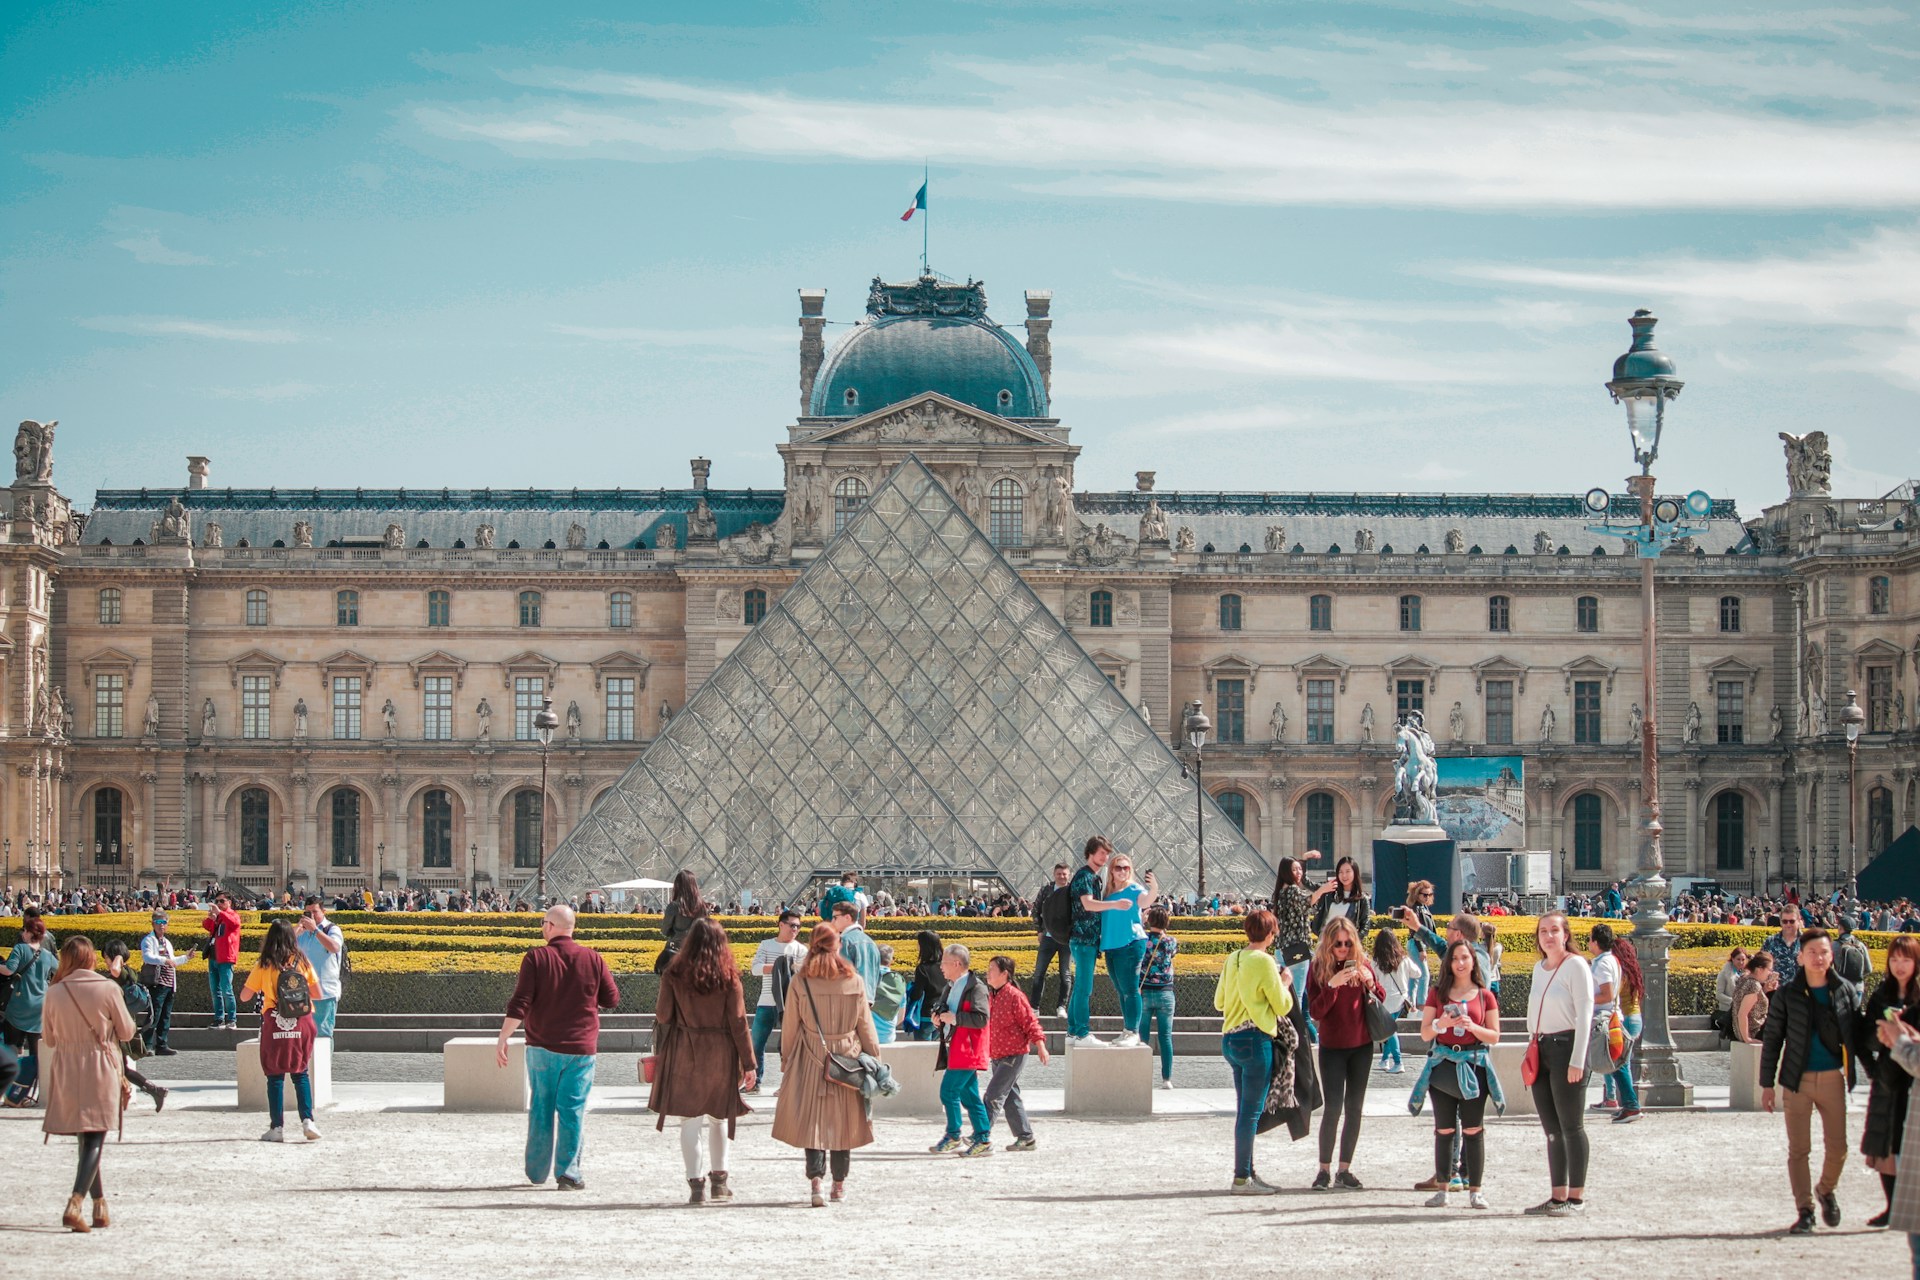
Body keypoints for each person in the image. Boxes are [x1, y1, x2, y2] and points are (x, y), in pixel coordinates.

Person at [497, 905, 621, 1190]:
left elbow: (520, 1002)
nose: (542, 928)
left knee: (541, 1107)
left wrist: (504, 1037)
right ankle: (568, 1173)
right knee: (572, 1110)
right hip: (581, 1048)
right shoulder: (593, 958)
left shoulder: (536, 958)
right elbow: (612, 999)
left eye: (543, 923)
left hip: (542, 1047)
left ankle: (537, 1172)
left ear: (550, 927)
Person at [1762, 926, 1862, 1234]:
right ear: (1801, 957)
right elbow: (1773, 1038)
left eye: (1823, 952)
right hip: (1797, 1079)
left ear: (1832, 956)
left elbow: (1858, 1034)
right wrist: (1767, 1083)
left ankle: (1825, 1188)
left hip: (1833, 1076)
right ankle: (1804, 1210)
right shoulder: (1788, 994)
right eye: (1812, 953)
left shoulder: (1844, 990)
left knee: (1839, 1147)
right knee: (1799, 1149)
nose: (1818, 958)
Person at [771, 923, 880, 1207]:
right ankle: (839, 1184)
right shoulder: (854, 981)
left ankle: (816, 1182)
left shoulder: (801, 980)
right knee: (843, 1122)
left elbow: (791, 1026)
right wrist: (874, 1059)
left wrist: (786, 1060)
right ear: (837, 946)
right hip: (847, 1057)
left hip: (810, 1055)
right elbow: (865, 1026)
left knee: (813, 1121)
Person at [650, 917, 755, 1205]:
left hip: (685, 1049)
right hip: (721, 1052)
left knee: (690, 1121)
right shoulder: (729, 976)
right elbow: (739, 1022)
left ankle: (696, 1185)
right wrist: (749, 1063)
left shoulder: (673, 974)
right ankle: (720, 1182)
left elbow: (663, 1016)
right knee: (719, 1118)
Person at [40, 937, 136, 1233]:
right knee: (95, 1137)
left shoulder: (54, 992)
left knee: (86, 1137)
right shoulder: (107, 988)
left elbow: (50, 1038)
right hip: (100, 1065)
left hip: (66, 1067)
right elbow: (127, 1031)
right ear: (91, 959)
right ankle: (76, 1201)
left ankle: (100, 1206)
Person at [1415, 939, 1502, 1209]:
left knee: (1474, 1130)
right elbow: (1425, 1032)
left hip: (1474, 1064)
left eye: (1465, 958)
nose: (1460, 963)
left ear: (1473, 961)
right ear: (1449, 963)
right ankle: (1443, 1187)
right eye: (1455, 959)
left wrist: (1473, 1027)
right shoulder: (1438, 993)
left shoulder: (1485, 995)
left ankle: (1475, 1189)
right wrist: (1441, 1024)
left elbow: (1495, 1036)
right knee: (1444, 1130)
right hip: (1443, 1064)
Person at [1213, 907, 1292, 1195]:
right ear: (1270, 934)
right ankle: (1241, 1178)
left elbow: (1219, 1002)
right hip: (1255, 1041)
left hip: (1230, 1041)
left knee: (1244, 1112)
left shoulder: (1232, 958)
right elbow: (1283, 1006)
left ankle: (1248, 1172)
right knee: (1250, 1114)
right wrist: (1284, 983)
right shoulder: (1265, 961)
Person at [1523, 911, 1594, 1217]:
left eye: (1554, 930)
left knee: (1572, 1126)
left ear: (1566, 935)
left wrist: (1578, 1059)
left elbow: (1585, 1013)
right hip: (1542, 1048)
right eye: (1543, 931)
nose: (1549, 936)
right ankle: (1557, 1195)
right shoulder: (1540, 968)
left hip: (1567, 1048)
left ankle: (1576, 1198)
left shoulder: (1576, 965)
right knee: (1551, 1129)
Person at [1305, 914, 1384, 1190]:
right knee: (1333, 1108)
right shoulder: (1317, 968)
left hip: (1362, 1046)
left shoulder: (1362, 964)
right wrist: (1332, 985)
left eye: (1347, 943)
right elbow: (1315, 1011)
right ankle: (1323, 1170)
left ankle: (1344, 1169)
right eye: (1337, 943)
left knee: (1355, 1109)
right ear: (1328, 943)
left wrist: (1370, 983)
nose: (1342, 948)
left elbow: (1381, 997)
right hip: (1332, 1047)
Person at [239, 919, 323, 1143]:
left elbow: (245, 996)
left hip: (275, 1021)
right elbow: (317, 993)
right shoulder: (302, 961)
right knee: (300, 1072)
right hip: (302, 1022)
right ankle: (308, 1121)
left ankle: (276, 1128)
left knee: (275, 1076)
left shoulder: (264, 964)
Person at [1859, 935, 1920, 1228]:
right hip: (1887, 1075)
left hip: (1914, 1076)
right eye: (1895, 959)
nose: (1900, 965)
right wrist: (1881, 1042)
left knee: (1910, 1141)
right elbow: (1864, 1038)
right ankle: (1891, 1205)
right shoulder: (1882, 993)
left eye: (1906, 959)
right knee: (1885, 1141)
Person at [928, 943, 993, 1157]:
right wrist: (938, 1016)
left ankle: (954, 1134)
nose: (941, 967)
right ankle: (983, 1137)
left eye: (944, 963)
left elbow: (982, 1019)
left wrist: (954, 1018)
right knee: (970, 1096)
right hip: (956, 1046)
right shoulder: (951, 985)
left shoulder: (977, 987)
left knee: (948, 1091)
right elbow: (943, 1006)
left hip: (969, 1049)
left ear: (957, 963)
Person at [982, 954, 1049, 1149]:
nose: (988, 973)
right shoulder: (991, 996)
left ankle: (981, 1134)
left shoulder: (1015, 996)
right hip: (997, 1055)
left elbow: (1030, 1022)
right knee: (1010, 1097)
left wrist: (1041, 1045)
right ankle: (1025, 1137)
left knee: (993, 1095)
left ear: (1004, 974)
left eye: (991, 969)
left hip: (1014, 1054)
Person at [1066, 835, 1124, 1047]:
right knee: (1084, 988)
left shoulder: (1092, 877)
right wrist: (1115, 905)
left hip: (1085, 939)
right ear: (1091, 853)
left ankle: (1073, 1032)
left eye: (1107, 853)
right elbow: (1089, 905)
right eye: (1102, 853)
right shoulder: (1085, 876)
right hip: (1083, 939)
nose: (1106, 857)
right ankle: (1081, 1033)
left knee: (1080, 987)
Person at [1588, 923, 1645, 1124]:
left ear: (1595, 942)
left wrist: (1584, 999)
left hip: (1605, 1019)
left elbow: (1608, 994)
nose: (1588, 943)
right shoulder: (1612, 960)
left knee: (1616, 1063)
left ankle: (1630, 1106)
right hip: (1615, 1017)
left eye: (1589, 939)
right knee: (1616, 1062)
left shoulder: (1602, 963)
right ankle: (1626, 1104)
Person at [1099, 853, 1157, 1049]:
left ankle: (1133, 1031)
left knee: (1131, 990)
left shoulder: (1134, 889)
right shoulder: (1107, 893)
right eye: (1118, 868)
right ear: (1111, 871)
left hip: (1131, 944)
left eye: (1126, 868)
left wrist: (1154, 887)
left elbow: (1146, 901)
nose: (1123, 871)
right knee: (1122, 991)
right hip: (1111, 946)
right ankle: (1128, 1029)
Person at [102, 941, 167, 1112]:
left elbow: (115, 969)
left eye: (106, 958)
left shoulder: (121, 973)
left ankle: (150, 1091)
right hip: (122, 1024)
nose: (106, 962)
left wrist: (117, 957)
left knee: (117, 1066)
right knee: (121, 1067)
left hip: (116, 1027)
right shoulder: (130, 973)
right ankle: (154, 1091)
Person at [747, 909, 806, 1090]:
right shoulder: (766, 945)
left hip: (790, 1004)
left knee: (789, 1045)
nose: (795, 929)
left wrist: (786, 968)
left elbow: (804, 975)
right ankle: (754, 1082)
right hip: (766, 1001)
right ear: (781, 924)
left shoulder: (801, 949)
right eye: (792, 925)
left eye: (798, 926)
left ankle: (788, 1084)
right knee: (756, 1043)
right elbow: (755, 969)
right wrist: (779, 967)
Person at [2, 912, 56, 1106]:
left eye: (24, 930)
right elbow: (59, 973)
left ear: (28, 933)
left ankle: (10, 1090)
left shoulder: (20, 949)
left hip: (19, 1005)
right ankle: (34, 1092)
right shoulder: (47, 955)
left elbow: (9, 970)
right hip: (39, 1007)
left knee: (12, 1048)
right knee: (36, 1052)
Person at [827, 900, 886, 1042]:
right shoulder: (871, 942)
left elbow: (840, 973)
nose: (832, 921)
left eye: (835, 917)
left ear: (847, 917)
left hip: (847, 999)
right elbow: (878, 975)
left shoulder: (844, 941)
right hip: (868, 999)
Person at [1138, 907, 1179, 1087]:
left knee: (1142, 1036)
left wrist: (1141, 920)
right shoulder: (1171, 941)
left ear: (1149, 920)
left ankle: (1142, 1077)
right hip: (1165, 992)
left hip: (1144, 991)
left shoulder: (1142, 940)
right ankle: (1167, 1079)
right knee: (1165, 1037)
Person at [296, 896, 345, 1038]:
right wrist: (298, 929)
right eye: (307, 912)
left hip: (325, 992)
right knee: (302, 1036)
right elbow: (282, 947)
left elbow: (335, 947)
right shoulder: (302, 932)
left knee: (323, 1035)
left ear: (323, 911)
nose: (311, 916)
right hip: (303, 993)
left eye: (315, 912)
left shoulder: (331, 929)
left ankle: (324, 1061)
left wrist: (316, 930)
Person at [138, 911, 187, 1055]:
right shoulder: (149, 940)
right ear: (153, 923)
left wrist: (186, 957)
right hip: (157, 982)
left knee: (165, 1015)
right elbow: (148, 957)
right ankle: (146, 1045)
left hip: (170, 983)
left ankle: (161, 1044)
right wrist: (164, 960)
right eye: (159, 922)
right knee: (155, 1014)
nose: (162, 926)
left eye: (164, 922)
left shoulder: (167, 942)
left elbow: (173, 962)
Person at [1373, 927, 1421, 1075]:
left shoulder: (1376, 962)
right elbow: (1417, 973)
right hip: (1401, 999)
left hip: (1384, 1000)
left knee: (1390, 1031)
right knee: (1390, 1029)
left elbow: (1373, 981)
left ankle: (1398, 1062)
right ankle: (1385, 1060)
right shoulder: (1404, 959)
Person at [1271, 855, 1318, 1004]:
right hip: (1297, 949)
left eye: (1300, 869)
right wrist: (1323, 890)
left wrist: (1303, 858)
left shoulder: (1279, 892)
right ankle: (1292, 1027)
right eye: (1294, 869)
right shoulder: (1293, 889)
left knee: (1289, 994)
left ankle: (1300, 1025)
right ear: (1286, 872)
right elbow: (1308, 903)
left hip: (1281, 950)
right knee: (1296, 999)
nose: (1299, 872)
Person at [1030, 863, 1075, 1017]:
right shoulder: (1046, 890)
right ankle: (1034, 1007)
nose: (1062, 876)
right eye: (1059, 874)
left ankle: (1061, 1006)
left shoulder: (1073, 891)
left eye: (1064, 874)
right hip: (1048, 937)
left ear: (1069, 875)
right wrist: (1039, 930)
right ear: (1054, 874)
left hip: (1066, 939)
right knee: (1039, 973)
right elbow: (1036, 910)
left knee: (1065, 974)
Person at [1311, 855, 1371, 951]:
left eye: (1348, 871)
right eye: (1340, 872)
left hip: (1346, 948)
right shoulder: (1329, 894)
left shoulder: (1362, 900)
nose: (1344, 875)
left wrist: (1352, 942)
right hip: (1326, 946)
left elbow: (1366, 925)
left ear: (1355, 872)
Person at [201, 892, 242, 1030]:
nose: (219, 904)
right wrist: (212, 918)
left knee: (226, 989)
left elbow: (234, 923)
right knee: (215, 990)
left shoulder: (233, 915)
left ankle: (232, 1019)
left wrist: (219, 913)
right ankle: (219, 1018)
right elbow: (206, 926)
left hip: (226, 958)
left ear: (229, 902)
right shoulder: (219, 917)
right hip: (213, 956)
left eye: (222, 901)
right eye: (217, 901)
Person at [658, 870, 708, 972]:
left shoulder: (674, 906)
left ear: (677, 886)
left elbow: (664, 931)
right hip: (697, 953)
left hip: (676, 953)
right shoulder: (703, 907)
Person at [904, 930, 947, 1042]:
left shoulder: (922, 968)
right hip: (941, 1014)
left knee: (921, 1054)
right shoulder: (945, 966)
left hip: (925, 1016)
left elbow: (917, 994)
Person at [1734, 951, 1776, 1045]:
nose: (1770, 973)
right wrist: (1747, 1038)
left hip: (1748, 1030)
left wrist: (1765, 990)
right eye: (1769, 970)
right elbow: (1742, 1014)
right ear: (1760, 969)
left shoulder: (1744, 978)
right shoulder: (1754, 985)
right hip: (1755, 1031)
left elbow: (1752, 1001)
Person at [1715, 946, 1750, 1037]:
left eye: (1743, 959)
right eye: (1738, 959)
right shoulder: (1724, 974)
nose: (1741, 962)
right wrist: (1733, 1002)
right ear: (1733, 959)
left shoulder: (1748, 974)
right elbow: (1719, 995)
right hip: (1728, 1008)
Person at [1762, 911, 1802, 986]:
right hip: (1775, 992)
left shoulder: (1807, 942)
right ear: (1780, 922)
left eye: (1792, 921)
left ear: (1799, 920)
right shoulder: (1770, 941)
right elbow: (1760, 966)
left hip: (1799, 992)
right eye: (1785, 921)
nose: (1788, 924)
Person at [1481, 922, 1504, 1000]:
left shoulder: (1479, 948)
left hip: (1482, 982)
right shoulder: (1499, 947)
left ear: (1483, 935)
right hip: (1494, 982)